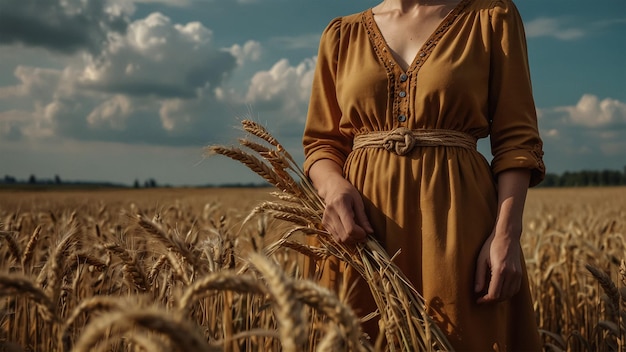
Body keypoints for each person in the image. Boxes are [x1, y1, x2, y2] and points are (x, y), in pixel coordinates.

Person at [302, 0, 545, 350]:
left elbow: (517, 139)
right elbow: (322, 143)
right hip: (359, 233)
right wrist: (333, 186)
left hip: (459, 232)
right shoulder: (342, 34)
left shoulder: (491, 17)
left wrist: (506, 235)